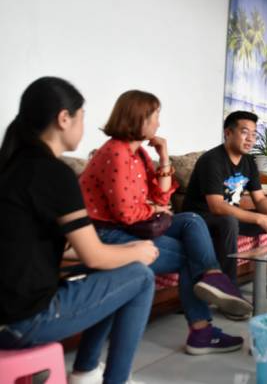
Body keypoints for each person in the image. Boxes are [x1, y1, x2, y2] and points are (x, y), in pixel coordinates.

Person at [0, 77, 158, 384]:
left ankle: (85, 370)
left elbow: (34, 245)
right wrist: (137, 251)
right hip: (23, 320)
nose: (84, 127)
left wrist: (123, 251)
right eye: (82, 117)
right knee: (140, 276)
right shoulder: (54, 173)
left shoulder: (10, 165)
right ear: (64, 118)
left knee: (115, 270)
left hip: (8, 312)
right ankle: (113, 378)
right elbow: (94, 256)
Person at [79, 90, 251, 355]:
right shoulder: (116, 153)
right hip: (107, 235)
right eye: (155, 116)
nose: (158, 123)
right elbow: (126, 214)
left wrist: (164, 155)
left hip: (134, 226)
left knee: (192, 220)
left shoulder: (138, 154)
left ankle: (213, 277)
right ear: (138, 117)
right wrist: (154, 208)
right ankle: (202, 329)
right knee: (190, 254)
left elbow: (161, 195)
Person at [182, 110, 267, 308]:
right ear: (228, 133)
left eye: (254, 134)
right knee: (229, 221)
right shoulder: (212, 161)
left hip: (229, 216)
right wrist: (259, 219)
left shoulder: (249, 162)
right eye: (245, 132)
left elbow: (259, 198)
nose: (250, 139)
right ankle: (229, 290)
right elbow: (217, 206)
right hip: (201, 219)